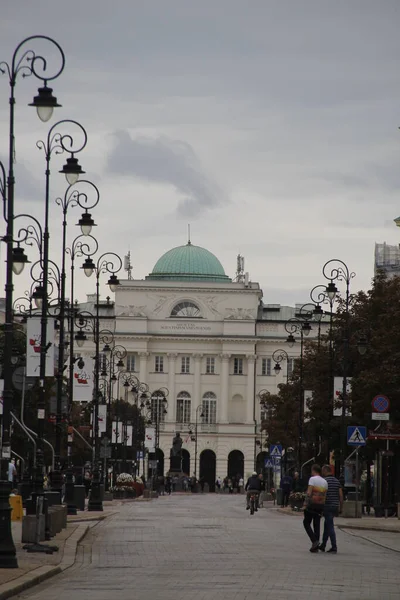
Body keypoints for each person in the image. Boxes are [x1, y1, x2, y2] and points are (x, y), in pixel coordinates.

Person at [303, 464, 328, 552]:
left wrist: (305, 504)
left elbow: (309, 493)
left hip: (312, 505)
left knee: (306, 523)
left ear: (313, 470)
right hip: (320, 505)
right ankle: (315, 546)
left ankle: (314, 541)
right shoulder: (325, 482)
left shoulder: (312, 479)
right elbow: (325, 495)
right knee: (316, 524)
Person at [319, 465, 343, 554]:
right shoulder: (337, 482)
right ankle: (323, 545)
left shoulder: (324, 481)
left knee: (330, 526)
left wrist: (320, 506)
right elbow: (341, 496)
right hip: (335, 506)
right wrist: (341, 507)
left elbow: (322, 495)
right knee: (327, 525)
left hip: (327, 506)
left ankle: (334, 546)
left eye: (322, 471)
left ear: (325, 471)